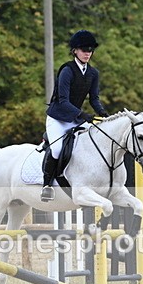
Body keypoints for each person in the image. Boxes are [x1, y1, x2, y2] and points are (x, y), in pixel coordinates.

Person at [41, 29, 109, 201]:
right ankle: (47, 185)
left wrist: (102, 113)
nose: (88, 53)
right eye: (84, 50)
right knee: (57, 149)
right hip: (58, 118)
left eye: (90, 50)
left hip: (74, 119)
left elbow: (94, 99)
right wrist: (82, 114)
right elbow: (63, 101)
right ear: (75, 51)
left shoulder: (93, 73)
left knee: (94, 142)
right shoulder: (67, 70)